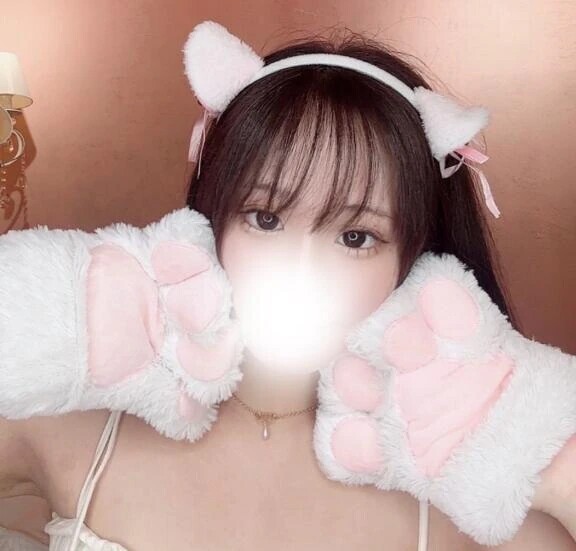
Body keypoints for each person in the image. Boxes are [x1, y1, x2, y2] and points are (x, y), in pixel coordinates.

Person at [1, 23, 575, 551]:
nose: (301, 269)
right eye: (266, 218)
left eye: (356, 236)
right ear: (209, 220)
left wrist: (532, 447)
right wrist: (40, 325)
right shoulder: (83, 420)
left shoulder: (458, 493)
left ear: (417, 262)